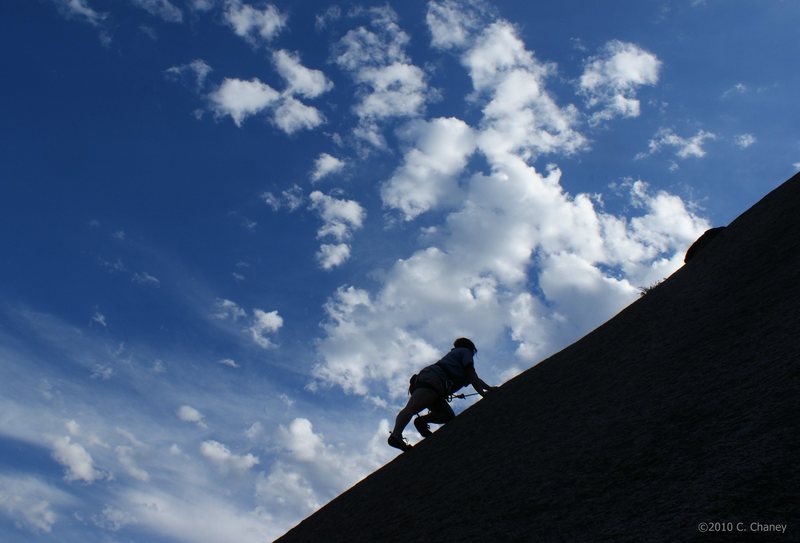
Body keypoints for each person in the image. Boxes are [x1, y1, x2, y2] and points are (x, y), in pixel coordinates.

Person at [388, 337, 495, 452]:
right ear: (471, 348)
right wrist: (483, 394)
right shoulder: (465, 352)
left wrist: (488, 388)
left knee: (448, 416)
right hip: (435, 380)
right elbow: (471, 373)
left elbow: (474, 379)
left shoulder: (456, 361)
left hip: (434, 383)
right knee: (412, 408)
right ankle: (396, 435)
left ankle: (422, 422)